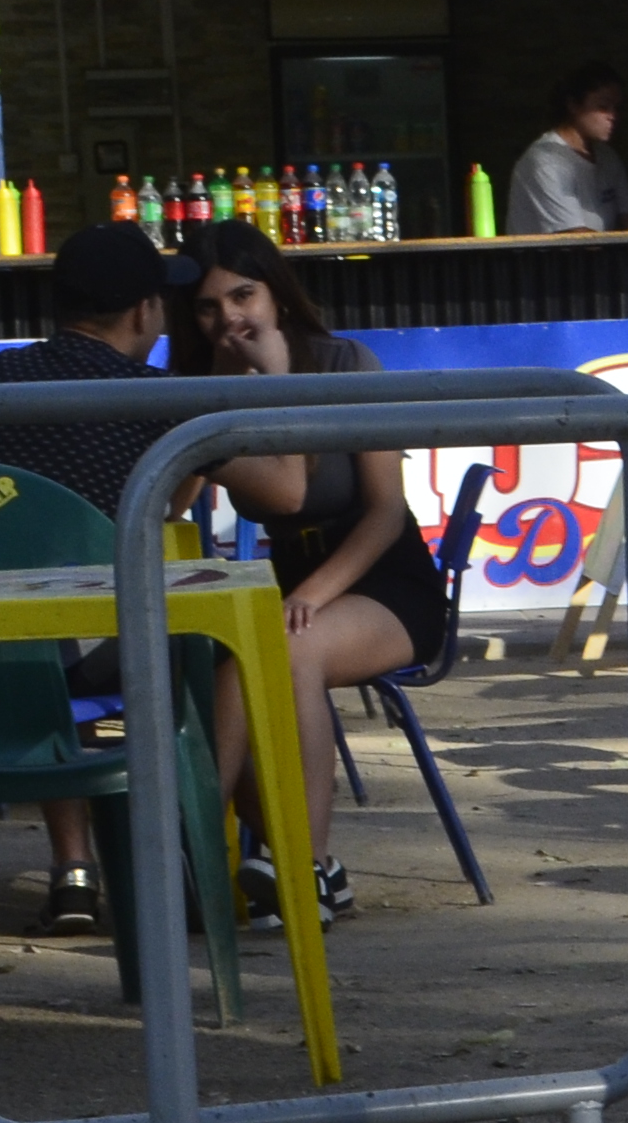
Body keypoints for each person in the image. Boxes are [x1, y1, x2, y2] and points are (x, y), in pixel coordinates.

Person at [169, 220, 453, 928]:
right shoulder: (203, 383)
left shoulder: (344, 362)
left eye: (243, 296)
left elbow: (388, 511)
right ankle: (198, 862)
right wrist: (205, 411)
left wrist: (311, 594)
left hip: (382, 580)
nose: (229, 318)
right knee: (233, 668)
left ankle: (304, 866)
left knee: (291, 643)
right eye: (209, 307)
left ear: (277, 294)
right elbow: (169, 503)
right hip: (291, 582)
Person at [0, 219, 189, 931]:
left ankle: (75, 869)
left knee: (41, 630)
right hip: (100, 646)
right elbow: (181, 514)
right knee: (215, 650)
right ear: (144, 310)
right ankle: (188, 856)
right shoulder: (151, 400)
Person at [503, 65, 628, 236]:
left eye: (617, 108)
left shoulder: (606, 156)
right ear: (573, 105)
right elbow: (575, 238)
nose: (613, 116)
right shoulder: (545, 162)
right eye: (603, 107)